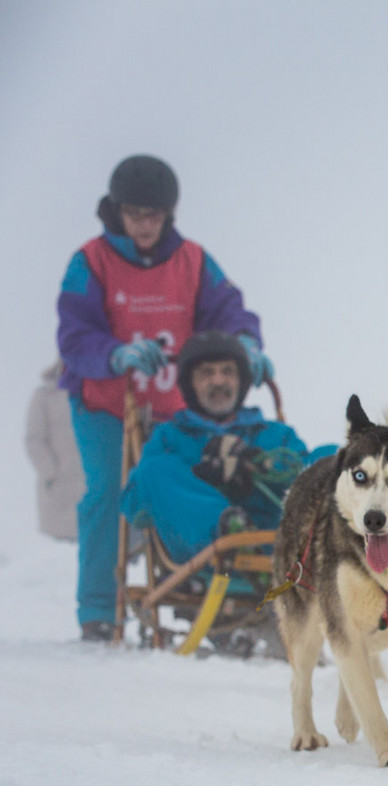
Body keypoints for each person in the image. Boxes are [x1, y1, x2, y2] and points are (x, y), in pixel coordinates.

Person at [57, 154, 274, 642]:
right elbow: (74, 337)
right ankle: (98, 611)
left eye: (152, 214)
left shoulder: (193, 261)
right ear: (117, 211)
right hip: (107, 404)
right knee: (109, 493)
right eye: (134, 213)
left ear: (168, 214)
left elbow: (230, 310)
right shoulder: (90, 261)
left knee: (205, 484)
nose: (144, 224)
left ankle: (207, 590)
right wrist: (115, 356)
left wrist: (246, 345)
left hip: (178, 407)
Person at [121, 332, 326, 565]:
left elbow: (300, 472)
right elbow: (134, 505)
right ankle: (228, 528)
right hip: (201, 549)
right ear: (190, 384)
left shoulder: (274, 434)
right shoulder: (170, 436)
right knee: (154, 469)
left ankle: (345, 539)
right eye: (207, 373)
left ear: (242, 382)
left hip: (279, 536)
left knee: (334, 458)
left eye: (228, 372)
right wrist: (199, 475)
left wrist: (261, 466)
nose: (218, 381)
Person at [26, 361, 85, 541]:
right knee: (58, 553)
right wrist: (51, 473)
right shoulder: (44, 396)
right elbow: (34, 439)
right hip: (59, 493)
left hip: (91, 484)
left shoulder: (94, 393)